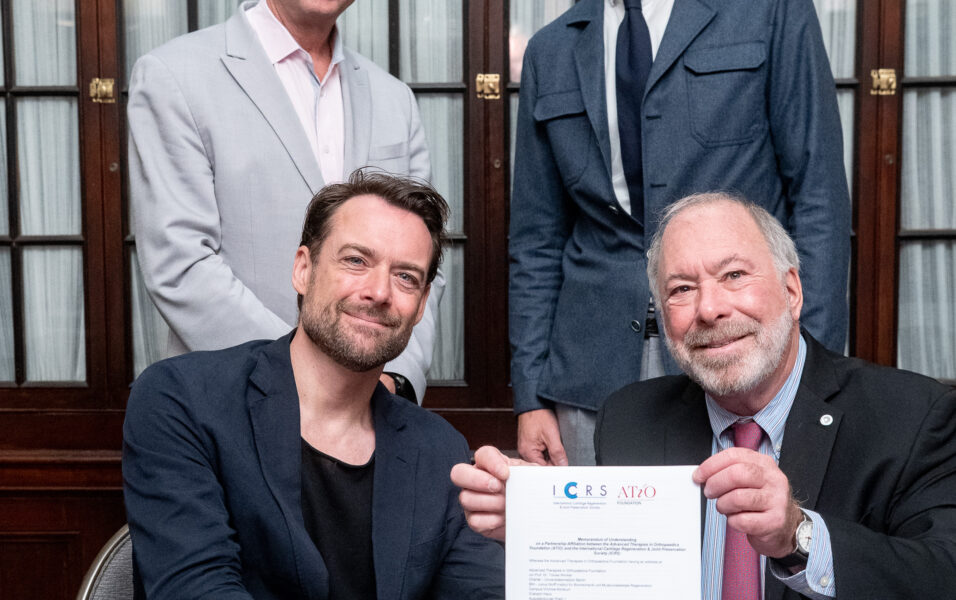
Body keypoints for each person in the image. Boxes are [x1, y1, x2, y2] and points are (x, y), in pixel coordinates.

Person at [453, 193, 956, 599]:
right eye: (681, 289)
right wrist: (542, 525)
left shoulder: (911, 416)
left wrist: (798, 535)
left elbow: (942, 575)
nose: (709, 309)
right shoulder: (631, 419)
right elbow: (621, 573)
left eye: (734, 276)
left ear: (792, 291)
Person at [124, 171, 504, 600]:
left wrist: (540, 525)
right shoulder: (182, 400)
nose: (379, 292)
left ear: (420, 307)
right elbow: (197, 590)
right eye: (356, 261)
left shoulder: (439, 450)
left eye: (405, 277)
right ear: (303, 270)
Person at [510, 0, 851, 465]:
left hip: (742, 351)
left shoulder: (771, 12)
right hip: (588, 374)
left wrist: (814, 366)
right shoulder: (550, 49)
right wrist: (531, 395)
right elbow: (537, 240)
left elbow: (819, 195)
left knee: (750, 512)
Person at [128, 0, 439, 403]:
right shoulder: (173, 75)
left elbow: (423, 265)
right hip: (233, 403)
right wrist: (306, 377)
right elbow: (182, 262)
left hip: (370, 408)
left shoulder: (394, 98)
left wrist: (395, 379)